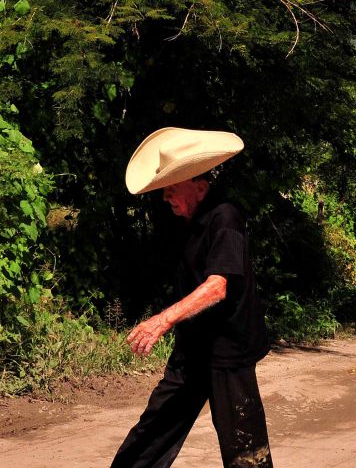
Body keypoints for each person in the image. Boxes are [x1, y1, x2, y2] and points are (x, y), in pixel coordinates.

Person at [111, 127, 273, 468]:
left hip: (228, 350)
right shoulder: (190, 222)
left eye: (172, 190)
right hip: (194, 347)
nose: (166, 198)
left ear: (199, 187)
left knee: (245, 449)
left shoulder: (225, 217)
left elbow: (218, 286)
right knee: (155, 425)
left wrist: (162, 320)